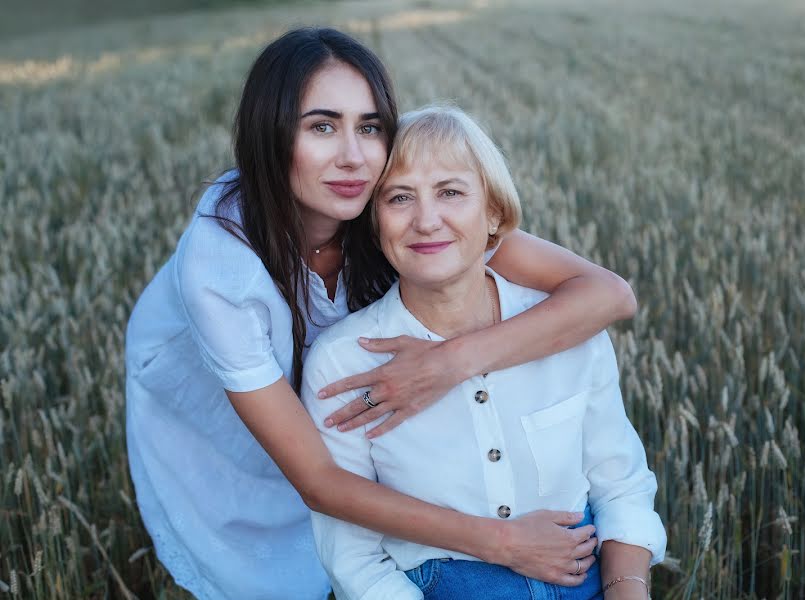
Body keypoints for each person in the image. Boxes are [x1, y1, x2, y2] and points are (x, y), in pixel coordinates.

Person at [125, 28, 638, 600]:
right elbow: (319, 483)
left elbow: (608, 295)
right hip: (199, 387)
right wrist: (502, 544)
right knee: (270, 533)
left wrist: (451, 361)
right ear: (270, 133)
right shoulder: (221, 269)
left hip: (332, 385)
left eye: (369, 126)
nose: (352, 155)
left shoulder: (394, 198)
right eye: (322, 126)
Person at [301, 105, 666, 600]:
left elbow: (620, 485)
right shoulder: (344, 361)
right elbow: (353, 558)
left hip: (590, 580)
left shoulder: (567, 328)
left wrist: (627, 590)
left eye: (451, 192)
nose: (427, 220)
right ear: (373, 221)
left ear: (494, 212)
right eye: (400, 198)